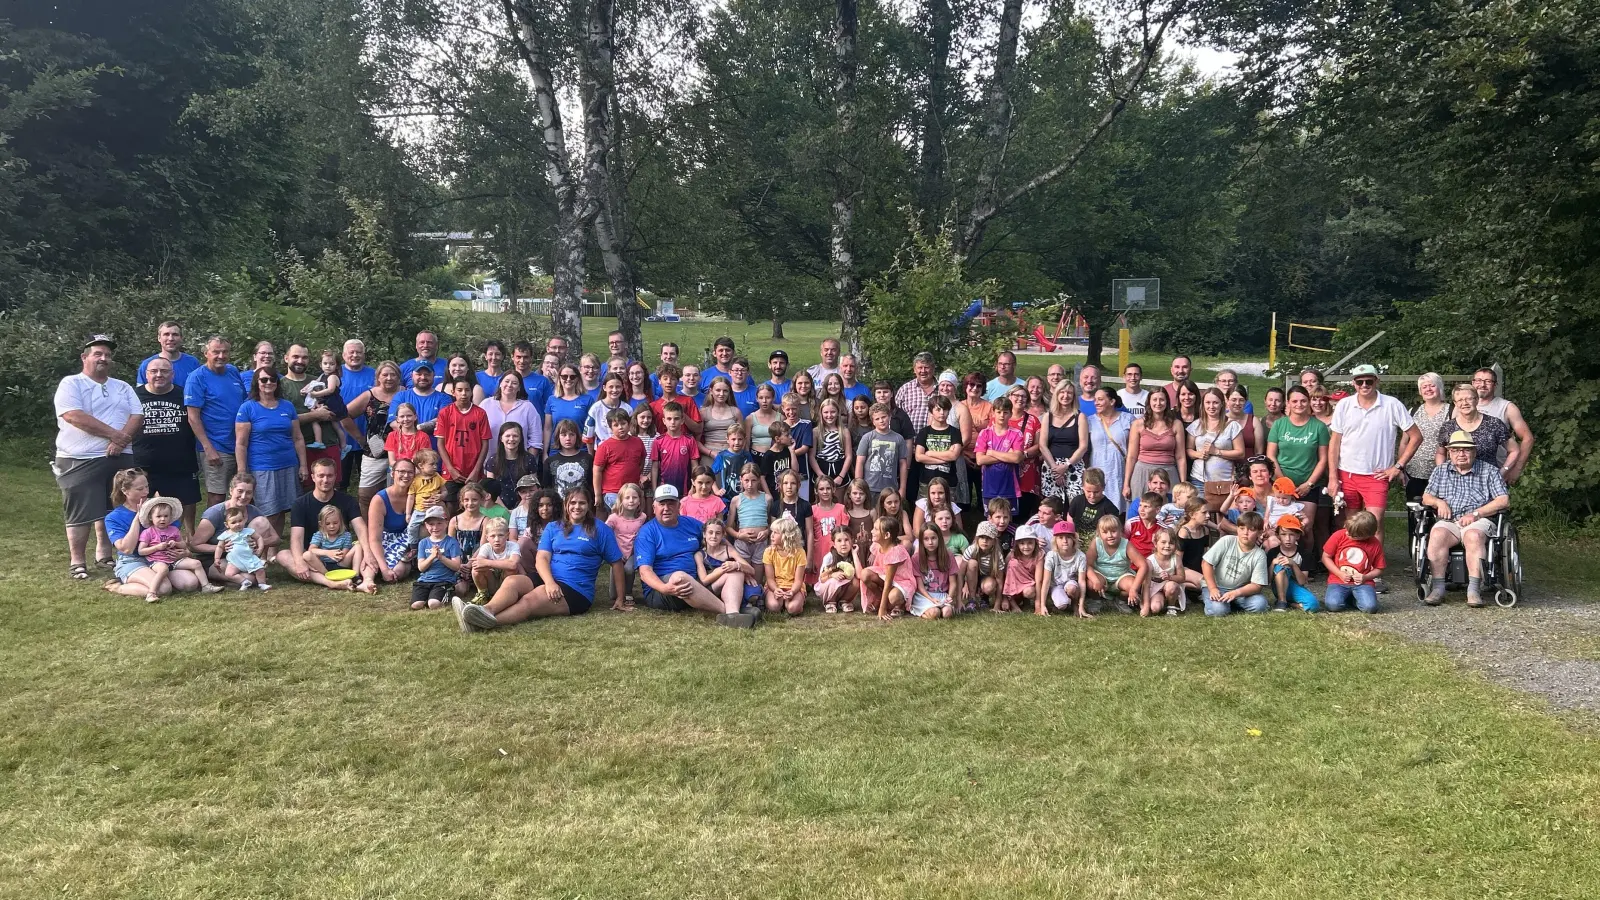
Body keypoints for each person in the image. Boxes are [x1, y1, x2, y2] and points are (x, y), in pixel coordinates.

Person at [55, 334, 143, 580]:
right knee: (80, 511)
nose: (104, 358)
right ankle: (77, 562)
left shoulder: (122, 386)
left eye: (107, 354)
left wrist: (121, 440)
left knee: (114, 508)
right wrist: (116, 436)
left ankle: (105, 556)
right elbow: (73, 415)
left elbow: (137, 415)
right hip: (79, 458)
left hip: (121, 456)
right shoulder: (71, 384)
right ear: (85, 357)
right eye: (97, 353)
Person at [1327, 364, 1422, 546]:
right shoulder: (1344, 405)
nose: (1364, 385)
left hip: (1376, 475)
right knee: (1351, 522)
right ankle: (1354, 563)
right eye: (1359, 381)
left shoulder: (1392, 404)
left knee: (1375, 522)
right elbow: (1334, 443)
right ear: (1353, 383)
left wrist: (1397, 466)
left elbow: (1416, 436)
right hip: (1347, 473)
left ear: (1376, 381)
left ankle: (1374, 567)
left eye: (1369, 381)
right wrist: (1332, 476)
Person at [637, 485, 756, 626]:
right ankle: (727, 611)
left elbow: (717, 538)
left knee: (735, 571)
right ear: (654, 506)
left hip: (699, 583)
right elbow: (645, 572)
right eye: (662, 504)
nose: (666, 508)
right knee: (679, 577)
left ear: (679, 505)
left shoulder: (691, 524)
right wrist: (664, 588)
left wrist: (738, 562)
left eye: (671, 503)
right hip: (666, 590)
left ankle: (733, 614)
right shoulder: (647, 533)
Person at [1421, 430, 1511, 607]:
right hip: (1450, 520)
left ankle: (1474, 589)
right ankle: (1438, 588)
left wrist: (1476, 514)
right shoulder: (1441, 471)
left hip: (1479, 520)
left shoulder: (1489, 471)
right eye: (1456, 450)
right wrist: (1439, 502)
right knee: (1437, 533)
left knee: (1473, 536)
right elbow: (1426, 498)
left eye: (1466, 450)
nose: (1461, 454)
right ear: (1449, 452)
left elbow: (1503, 500)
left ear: (1474, 452)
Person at [277, 457, 376, 590]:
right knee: (282, 555)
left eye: (329, 475)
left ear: (335, 476)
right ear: (313, 477)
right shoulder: (300, 504)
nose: (325, 480)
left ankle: (364, 580)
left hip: (342, 556)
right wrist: (300, 562)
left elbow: (360, 528)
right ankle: (331, 582)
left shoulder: (347, 501)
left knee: (365, 547)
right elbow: (296, 538)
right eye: (321, 476)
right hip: (314, 557)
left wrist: (368, 552)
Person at [132, 355, 201, 531]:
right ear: (146, 374)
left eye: (164, 371)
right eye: (154, 371)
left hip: (181, 459)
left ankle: (189, 536)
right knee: (142, 502)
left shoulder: (184, 395)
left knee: (187, 499)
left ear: (172, 374)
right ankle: (145, 537)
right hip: (144, 462)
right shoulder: (133, 396)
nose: (159, 375)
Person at [185, 335, 247, 508]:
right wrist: (208, 447)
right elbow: (192, 416)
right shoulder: (196, 378)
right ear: (206, 353)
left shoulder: (233, 372)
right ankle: (211, 533)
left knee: (242, 491)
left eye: (225, 352)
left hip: (239, 444)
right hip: (216, 446)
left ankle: (238, 531)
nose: (221, 356)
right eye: (216, 352)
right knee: (217, 496)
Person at [190, 473, 280, 579]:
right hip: (215, 558)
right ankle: (220, 575)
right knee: (250, 579)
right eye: (240, 491)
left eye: (249, 493)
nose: (243, 496)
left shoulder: (253, 511)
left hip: (242, 556)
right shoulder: (215, 513)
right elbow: (194, 546)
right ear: (231, 490)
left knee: (261, 521)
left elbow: (276, 539)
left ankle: (235, 576)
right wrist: (221, 548)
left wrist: (257, 543)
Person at [136, 496, 222, 600]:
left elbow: (183, 545)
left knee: (196, 563)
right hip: (157, 561)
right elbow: (141, 551)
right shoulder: (148, 532)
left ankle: (206, 586)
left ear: (170, 517)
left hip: (175, 560)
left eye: (166, 516)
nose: (162, 519)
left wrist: (175, 543)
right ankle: (151, 593)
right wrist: (157, 547)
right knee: (163, 570)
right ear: (151, 518)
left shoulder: (174, 530)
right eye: (158, 516)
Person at [1433, 383, 1516, 477]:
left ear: (1476, 400)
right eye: (1460, 400)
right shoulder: (1448, 427)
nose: (1464, 403)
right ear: (1455, 403)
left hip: (1488, 481)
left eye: (1469, 399)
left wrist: (1502, 472)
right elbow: (1440, 453)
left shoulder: (1494, 424)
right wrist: (1443, 474)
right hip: (1456, 483)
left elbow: (1514, 450)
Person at [435, 376, 492, 509]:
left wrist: (476, 470)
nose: (463, 394)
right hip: (451, 471)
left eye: (467, 390)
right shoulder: (445, 412)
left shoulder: (480, 413)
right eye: (459, 390)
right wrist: (450, 469)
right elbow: (440, 444)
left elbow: (485, 444)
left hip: (473, 470)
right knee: (451, 506)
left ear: (472, 392)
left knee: (474, 505)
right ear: (453, 392)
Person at [1201, 510, 1270, 616]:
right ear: (1237, 529)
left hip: (1240, 591)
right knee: (1218, 610)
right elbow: (1206, 563)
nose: (1245, 533)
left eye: (1251, 530)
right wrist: (1213, 588)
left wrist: (1236, 593)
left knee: (1260, 604)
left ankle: (1231, 602)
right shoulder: (1227, 541)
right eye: (1242, 528)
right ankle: (1216, 602)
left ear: (1260, 533)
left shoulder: (1259, 554)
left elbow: (1257, 585)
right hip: (1217, 586)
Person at [1471, 367, 1533, 481]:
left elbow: (1527, 438)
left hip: (1497, 474)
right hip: (1466, 474)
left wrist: (1517, 468)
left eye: (1488, 381)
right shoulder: (1462, 406)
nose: (1482, 384)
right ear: (1473, 383)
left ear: (1495, 385)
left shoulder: (1507, 407)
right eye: (1478, 380)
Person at [1125, 386, 1184, 503]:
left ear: (1167, 402)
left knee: (1170, 513)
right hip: (1142, 473)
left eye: (1162, 400)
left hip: (1168, 473)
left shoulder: (1176, 424)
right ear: (1149, 402)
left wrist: (1183, 483)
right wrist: (1126, 483)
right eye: (1155, 399)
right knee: (1141, 510)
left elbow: (1180, 457)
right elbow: (1131, 456)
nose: (1158, 403)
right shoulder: (1138, 424)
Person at [1321, 509, 1385, 614]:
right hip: (1338, 581)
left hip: (1363, 583)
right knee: (1333, 605)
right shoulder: (1339, 535)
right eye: (1347, 529)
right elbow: (1325, 557)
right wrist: (1339, 573)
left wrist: (1365, 577)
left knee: (1370, 608)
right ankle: (1350, 598)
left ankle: (1354, 599)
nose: (1347, 533)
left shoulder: (1375, 544)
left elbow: (1379, 568)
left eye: (1352, 534)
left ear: (1366, 535)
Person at [365, 458, 416, 584]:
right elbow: (374, 539)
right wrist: (384, 568)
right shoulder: (380, 499)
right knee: (374, 562)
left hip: (408, 544)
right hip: (385, 541)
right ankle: (368, 580)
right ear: (392, 474)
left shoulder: (418, 496)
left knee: (398, 572)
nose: (406, 475)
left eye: (410, 472)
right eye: (401, 471)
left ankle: (408, 563)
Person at [1187, 387, 1244, 499]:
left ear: (1222, 404)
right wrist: (1198, 454)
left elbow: (1241, 453)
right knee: (1199, 513)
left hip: (1224, 481)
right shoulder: (1196, 425)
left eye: (1215, 403)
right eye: (1208, 402)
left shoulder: (1232, 426)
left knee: (1222, 514)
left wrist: (1217, 451)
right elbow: (1188, 450)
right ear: (1203, 404)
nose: (1211, 406)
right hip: (1199, 479)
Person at [1405, 373, 1452, 503]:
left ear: (1440, 388)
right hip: (1415, 472)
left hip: (1443, 472)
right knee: (1416, 514)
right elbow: (1404, 442)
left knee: (1440, 512)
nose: (1428, 389)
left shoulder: (1453, 411)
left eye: (1432, 386)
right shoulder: (1412, 411)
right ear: (1420, 391)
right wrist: (1401, 467)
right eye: (1424, 387)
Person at [337, 339, 377, 488]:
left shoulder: (374, 375)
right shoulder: (335, 373)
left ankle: (366, 510)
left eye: (358, 352)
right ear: (343, 355)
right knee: (340, 482)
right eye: (351, 352)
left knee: (368, 483)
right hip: (341, 438)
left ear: (364, 354)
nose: (355, 355)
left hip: (368, 437)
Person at [1088, 387, 1135, 511]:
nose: (1096, 403)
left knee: (1119, 509)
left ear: (1112, 401)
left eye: (1100, 399)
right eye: (1095, 400)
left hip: (1119, 471)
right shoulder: (1090, 421)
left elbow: (1134, 449)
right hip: (1097, 470)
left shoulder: (1128, 419)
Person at [593, 407, 646, 510]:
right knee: (618, 519)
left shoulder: (637, 442)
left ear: (629, 424)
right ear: (610, 427)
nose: (620, 427)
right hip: (612, 492)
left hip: (632, 490)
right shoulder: (605, 446)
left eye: (623, 423)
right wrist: (598, 495)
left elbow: (641, 461)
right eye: (616, 425)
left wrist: (637, 475)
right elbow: (597, 471)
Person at [409, 506, 462, 609]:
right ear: (426, 526)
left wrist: (441, 557)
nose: (435, 527)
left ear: (446, 523)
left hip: (444, 580)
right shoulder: (423, 543)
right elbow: (421, 568)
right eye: (431, 524)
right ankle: (427, 596)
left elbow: (456, 566)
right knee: (416, 605)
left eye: (439, 523)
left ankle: (446, 594)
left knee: (433, 604)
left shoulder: (452, 542)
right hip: (424, 580)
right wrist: (432, 557)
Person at [856, 402, 910, 499]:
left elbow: (903, 464)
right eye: (877, 419)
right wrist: (859, 486)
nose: (881, 421)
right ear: (873, 421)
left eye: (883, 417)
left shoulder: (898, 438)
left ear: (889, 417)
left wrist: (902, 488)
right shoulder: (867, 438)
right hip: (870, 488)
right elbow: (860, 462)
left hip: (890, 489)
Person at [214, 505, 271, 591]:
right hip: (234, 561)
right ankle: (244, 581)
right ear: (227, 524)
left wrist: (260, 548)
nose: (238, 524)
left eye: (240, 521)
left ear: (244, 520)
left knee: (260, 570)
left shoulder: (248, 531)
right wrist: (217, 558)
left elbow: (259, 538)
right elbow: (219, 546)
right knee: (229, 574)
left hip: (249, 557)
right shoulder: (226, 535)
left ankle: (262, 584)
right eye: (233, 522)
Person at [762, 517, 809, 615]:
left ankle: (794, 602)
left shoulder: (800, 552)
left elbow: (798, 580)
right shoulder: (769, 552)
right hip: (775, 585)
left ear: (786, 536)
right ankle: (781, 602)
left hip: (793, 586)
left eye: (776, 532)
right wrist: (775, 590)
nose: (772, 535)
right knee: (774, 607)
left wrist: (792, 591)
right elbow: (770, 579)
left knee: (793, 608)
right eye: (772, 532)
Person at [1269, 517, 1316, 612]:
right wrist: (1272, 564)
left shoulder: (1305, 554)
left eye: (1291, 534)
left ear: (1298, 536)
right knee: (1280, 565)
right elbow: (1267, 580)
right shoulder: (1272, 552)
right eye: (1283, 534)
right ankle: (1281, 600)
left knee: (1313, 605)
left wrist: (1293, 564)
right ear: (1278, 536)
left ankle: (1289, 603)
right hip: (1278, 585)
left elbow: (1302, 582)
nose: (1288, 539)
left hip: (1295, 586)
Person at [137, 321, 202, 388]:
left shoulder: (192, 363)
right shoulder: (148, 364)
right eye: (166, 334)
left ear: (181, 338)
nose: (171, 338)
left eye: (175, 334)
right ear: (159, 338)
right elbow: (140, 394)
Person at [390, 364, 449, 431]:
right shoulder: (401, 396)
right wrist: (413, 432)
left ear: (433, 375)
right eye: (419, 374)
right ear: (412, 376)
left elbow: (444, 420)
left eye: (427, 374)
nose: (423, 377)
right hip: (405, 440)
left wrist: (418, 428)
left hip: (434, 441)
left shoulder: (444, 398)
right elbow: (393, 423)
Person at [896, 352, 940, 433]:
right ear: (914, 370)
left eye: (926, 367)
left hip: (936, 441)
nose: (923, 371)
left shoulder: (943, 389)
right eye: (920, 368)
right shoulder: (905, 389)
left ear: (933, 368)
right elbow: (895, 416)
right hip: (909, 442)